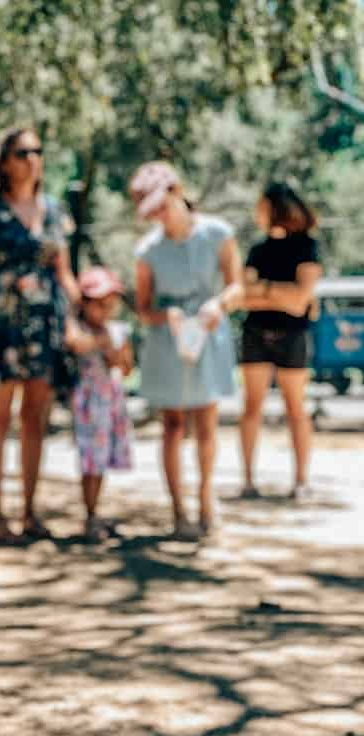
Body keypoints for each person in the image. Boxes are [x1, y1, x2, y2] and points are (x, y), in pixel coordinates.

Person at [0, 125, 79, 543]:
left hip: (44, 326)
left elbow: (64, 274)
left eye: (38, 151)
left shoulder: (55, 211)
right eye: (23, 152)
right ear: (4, 161)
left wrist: (82, 319)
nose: (32, 159)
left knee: (35, 419)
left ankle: (29, 511)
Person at [130, 161, 243, 539]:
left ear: (178, 193)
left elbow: (236, 286)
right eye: (153, 212)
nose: (160, 217)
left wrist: (218, 305)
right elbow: (143, 311)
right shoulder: (147, 251)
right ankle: (178, 508)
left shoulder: (217, 233)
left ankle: (206, 498)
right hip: (169, 341)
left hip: (208, 334)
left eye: (163, 206)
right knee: (173, 426)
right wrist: (168, 316)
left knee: (207, 422)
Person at [239, 182, 322, 500]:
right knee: (251, 408)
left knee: (296, 409)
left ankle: (301, 481)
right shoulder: (257, 250)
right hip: (255, 334)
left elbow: (301, 300)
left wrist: (264, 289)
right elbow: (243, 298)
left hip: (293, 336)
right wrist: (280, 293)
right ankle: (247, 480)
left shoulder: (307, 247)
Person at [66, 266, 134, 542]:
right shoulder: (80, 328)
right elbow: (76, 343)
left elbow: (127, 367)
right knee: (91, 460)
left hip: (110, 400)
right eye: (100, 303)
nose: (106, 310)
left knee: (101, 460)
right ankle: (90, 514)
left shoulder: (117, 331)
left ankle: (94, 514)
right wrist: (103, 342)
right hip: (88, 402)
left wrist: (117, 355)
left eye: (111, 304)